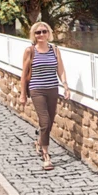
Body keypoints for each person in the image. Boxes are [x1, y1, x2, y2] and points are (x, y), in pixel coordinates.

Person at [21, 20, 68, 171]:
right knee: (45, 121)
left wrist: (65, 85)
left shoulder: (54, 49)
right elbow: (23, 74)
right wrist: (23, 94)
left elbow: (60, 69)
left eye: (44, 31)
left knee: (50, 121)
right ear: (34, 35)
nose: (41, 34)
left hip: (52, 89)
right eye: (38, 32)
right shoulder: (30, 51)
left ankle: (39, 142)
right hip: (37, 90)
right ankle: (46, 155)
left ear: (49, 33)